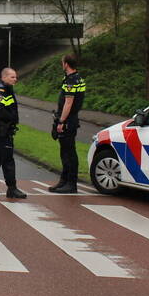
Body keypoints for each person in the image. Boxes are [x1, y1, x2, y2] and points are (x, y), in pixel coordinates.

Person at [0, 67, 27, 199]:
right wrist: (9, 122)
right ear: (4, 77)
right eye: (12, 77)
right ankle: (11, 189)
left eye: (16, 77)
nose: (15, 79)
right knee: (8, 160)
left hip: (2, 129)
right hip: (2, 131)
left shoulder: (7, 90)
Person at [50, 53, 86, 193]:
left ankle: (71, 184)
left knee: (69, 152)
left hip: (68, 121)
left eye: (62, 62)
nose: (62, 64)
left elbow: (68, 103)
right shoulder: (78, 79)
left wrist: (61, 121)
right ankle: (64, 180)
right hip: (71, 119)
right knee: (65, 151)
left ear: (66, 64)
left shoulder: (71, 81)